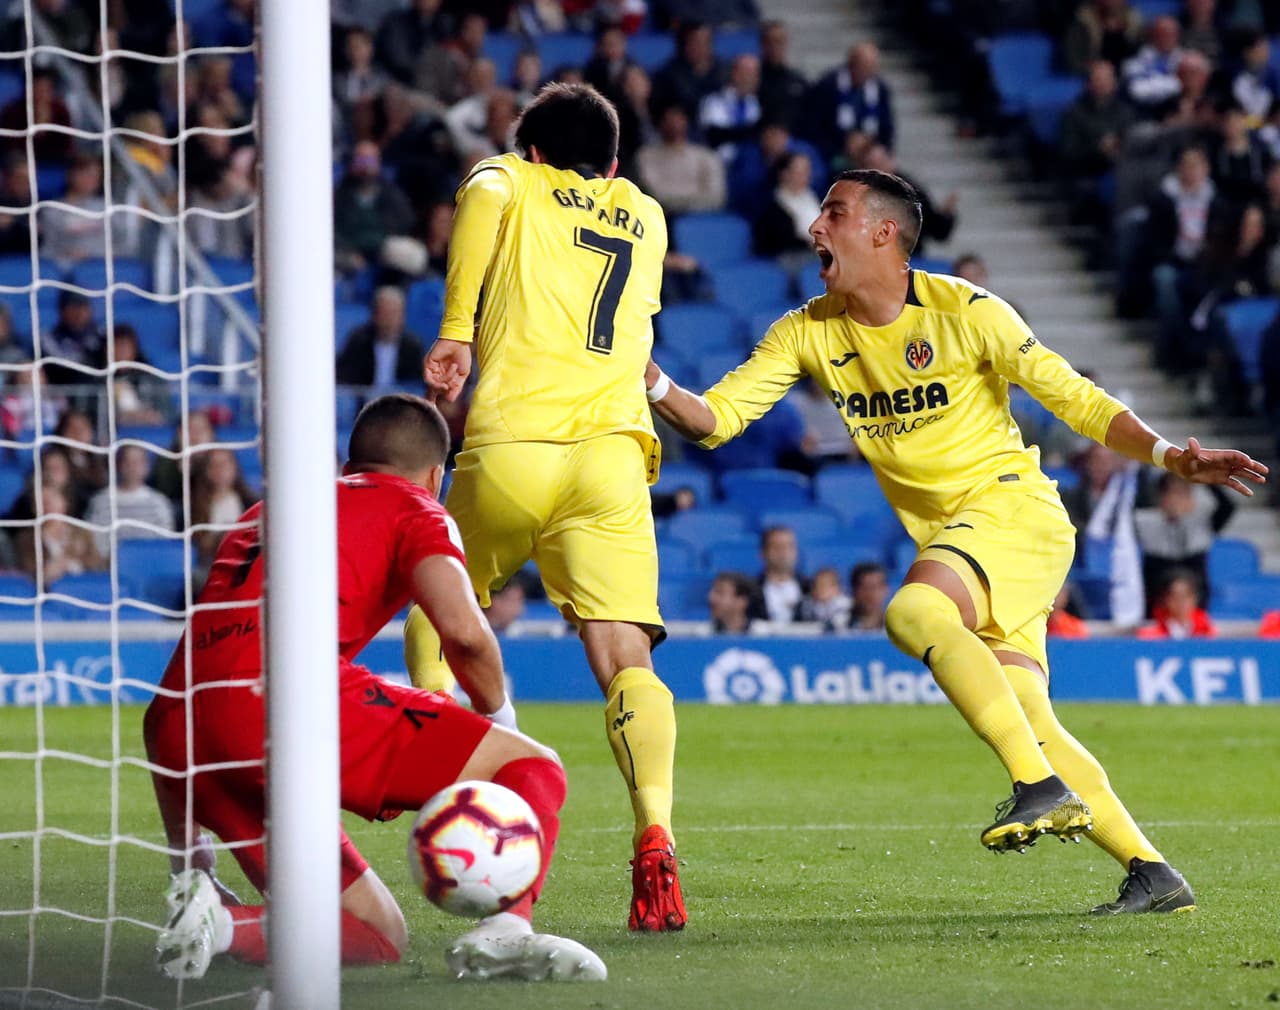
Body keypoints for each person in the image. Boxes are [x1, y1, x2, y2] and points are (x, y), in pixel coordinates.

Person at [645, 167, 1267, 913]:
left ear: (884, 234)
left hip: (1014, 514)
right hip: (967, 542)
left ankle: (1034, 787)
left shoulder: (967, 311)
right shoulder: (807, 331)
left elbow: (1076, 399)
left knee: (913, 613)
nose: (815, 228)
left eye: (833, 213)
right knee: (1031, 718)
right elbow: (714, 418)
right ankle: (1152, 873)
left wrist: (1172, 456)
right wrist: (646, 379)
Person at [143, 394, 606, 983]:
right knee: (535, 769)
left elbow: (173, 702)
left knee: (377, 934)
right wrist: (501, 722)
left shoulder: (263, 512)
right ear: (436, 475)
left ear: (349, 465)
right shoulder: (417, 508)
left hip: (182, 726)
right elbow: (463, 633)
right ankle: (505, 931)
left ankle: (218, 923)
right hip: (284, 697)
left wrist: (191, 858)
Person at [415, 82, 687, 932]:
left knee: (435, 600)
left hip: (513, 444)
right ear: (610, 162)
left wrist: (457, 329)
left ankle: (449, 786)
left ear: (532, 147)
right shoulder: (645, 214)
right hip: (611, 457)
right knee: (625, 658)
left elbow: (485, 199)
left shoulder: (506, 177)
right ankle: (656, 832)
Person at [1137, 568, 1216, 638]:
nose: (1181, 601)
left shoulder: (1207, 631)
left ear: (1195, 598)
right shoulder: (1150, 635)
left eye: (1186, 596)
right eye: (1175, 596)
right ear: (1164, 599)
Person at [847, 560, 889, 631]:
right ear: (854, 591)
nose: (872, 594)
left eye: (877, 587)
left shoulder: (900, 627)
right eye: (865, 587)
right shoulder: (838, 626)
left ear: (886, 589)